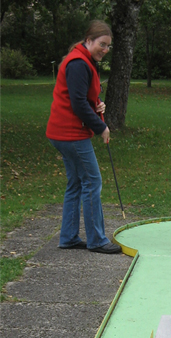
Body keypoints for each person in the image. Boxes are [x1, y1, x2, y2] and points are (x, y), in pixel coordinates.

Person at [46, 20, 121, 254]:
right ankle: (97, 240)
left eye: (108, 46)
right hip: (70, 134)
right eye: (102, 44)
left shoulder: (84, 60)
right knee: (92, 181)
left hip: (62, 132)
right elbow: (77, 104)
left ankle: (68, 237)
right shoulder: (78, 63)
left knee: (76, 183)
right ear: (88, 41)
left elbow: (82, 96)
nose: (105, 50)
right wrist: (101, 127)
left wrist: (97, 103)